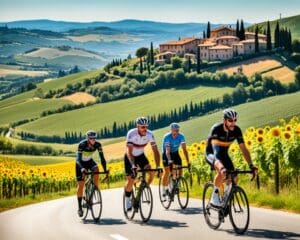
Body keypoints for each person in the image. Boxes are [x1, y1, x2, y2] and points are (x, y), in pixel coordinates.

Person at [205, 109, 257, 207]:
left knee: (235, 178)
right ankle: (214, 198)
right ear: (224, 121)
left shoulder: (237, 130)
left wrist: (251, 165)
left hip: (224, 154)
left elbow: (244, 149)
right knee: (221, 172)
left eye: (235, 120)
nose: (233, 123)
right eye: (230, 120)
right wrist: (221, 168)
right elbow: (216, 152)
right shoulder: (216, 129)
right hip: (211, 154)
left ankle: (225, 200)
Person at [124, 117, 160, 211]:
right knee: (131, 180)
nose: (145, 129)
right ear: (138, 126)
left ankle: (143, 188)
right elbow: (129, 151)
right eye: (142, 127)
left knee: (151, 172)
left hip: (140, 156)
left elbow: (155, 151)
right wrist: (132, 165)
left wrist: (158, 166)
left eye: (146, 127)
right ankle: (127, 199)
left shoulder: (150, 134)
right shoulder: (131, 133)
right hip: (130, 157)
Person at [76, 130, 107, 217]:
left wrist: (105, 169)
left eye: (94, 138)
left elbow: (102, 158)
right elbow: (78, 159)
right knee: (81, 185)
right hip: (80, 164)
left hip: (89, 162)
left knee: (97, 170)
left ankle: (92, 192)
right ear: (87, 138)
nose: (93, 140)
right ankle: (79, 208)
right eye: (91, 138)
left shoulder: (98, 145)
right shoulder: (82, 145)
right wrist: (81, 168)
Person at [161, 123, 190, 199]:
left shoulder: (181, 136)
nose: (176, 132)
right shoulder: (167, 137)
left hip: (175, 153)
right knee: (167, 171)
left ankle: (177, 183)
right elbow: (167, 151)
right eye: (174, 131)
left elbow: (184, 150)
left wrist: (188, 162)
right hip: (166, 154)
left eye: (177, 131)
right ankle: (164, 189)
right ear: (171, 130)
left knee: (180, 168)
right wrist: (170, 160)